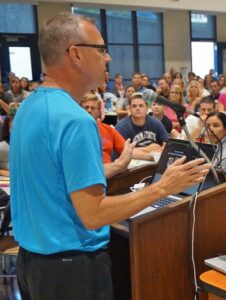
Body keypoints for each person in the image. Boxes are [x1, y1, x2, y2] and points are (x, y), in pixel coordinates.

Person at [10, 13, 210, 299]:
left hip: (32, 261)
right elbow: (93, 214)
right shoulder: (75, 121)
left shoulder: (28, 108)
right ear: (76, 54)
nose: (107, 58)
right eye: (101, 49)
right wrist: (163, 187)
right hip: (70, 267)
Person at [116, 93, 169, 159]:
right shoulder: (122, 126)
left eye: (141, 106)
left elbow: (167, 144)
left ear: (146, 108)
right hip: (132, 166)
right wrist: (148, 150)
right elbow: (123, 152)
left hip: (154, 163)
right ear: (129, 109)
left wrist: (138, 151)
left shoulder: (156, 122)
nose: (137, 108)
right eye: (134, 106)